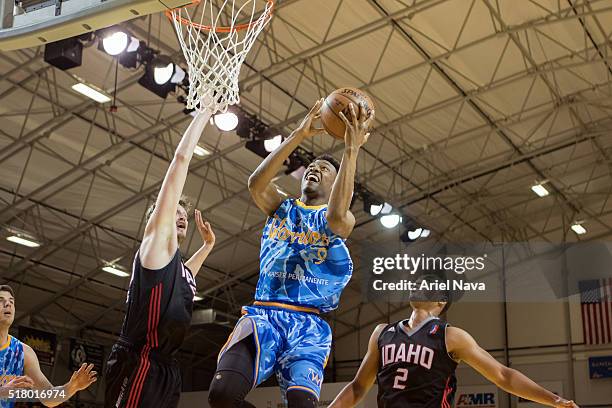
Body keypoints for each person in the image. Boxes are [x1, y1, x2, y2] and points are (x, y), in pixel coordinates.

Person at [208, 99, 375, 408]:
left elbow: (338, 213)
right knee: (221, 395)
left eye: (324, 169)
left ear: (336, 182)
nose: (314, 169)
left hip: (308, 326)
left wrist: (351, 150)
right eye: (312, 166)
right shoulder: (282, 207)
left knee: (301, 403)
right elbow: (256, 184)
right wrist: (299, 133)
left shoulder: (337, 219)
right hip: (264, 315)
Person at [328, 275, 579, 408]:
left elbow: (502, 375)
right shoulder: (382, 332)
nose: (418, 284)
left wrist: (553, 400)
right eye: (416, 281)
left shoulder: (451, 336)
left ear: (441, 301)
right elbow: (358, 387)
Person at [104, 111, 216, 408]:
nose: (180, 218)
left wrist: (207, 247)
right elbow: (180, 162)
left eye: (184, 216)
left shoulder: (176, 267)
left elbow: (186, 278)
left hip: (166, 367)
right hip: (139, 359)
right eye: (174, 214)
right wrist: (204, 112)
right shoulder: (154, 249)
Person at [0, 285, 96, 408]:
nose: (8, 304)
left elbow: (47, 397)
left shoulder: (24, 352)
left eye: (11, 301)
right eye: (1, 300)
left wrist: (72, 387)